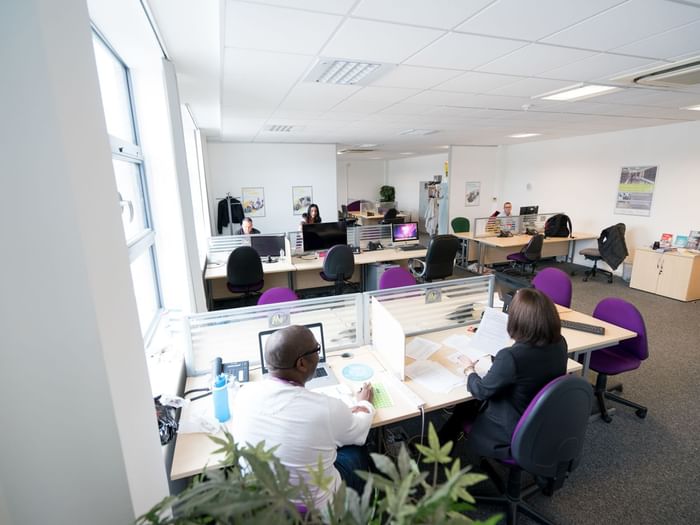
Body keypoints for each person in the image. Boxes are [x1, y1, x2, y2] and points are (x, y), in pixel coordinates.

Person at [231, 325, 375, 509]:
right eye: (317, 349)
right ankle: (361, 511)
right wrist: (364, 403)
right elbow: (360, 430)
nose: (319, 355)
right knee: (356, 450)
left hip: (265, 507)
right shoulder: (326, 408)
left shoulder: (243, 394)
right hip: (317, 512)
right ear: (301, 364)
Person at [439, 288, 567, 459]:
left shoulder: (512, 357)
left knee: (466, 404)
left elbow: (481, 391)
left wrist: (469, 369)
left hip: (511, 429)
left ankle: (441, 448)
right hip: (541, 419)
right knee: (464, 407)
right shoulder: (560, 343)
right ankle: (443, 445)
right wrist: (499, 359)